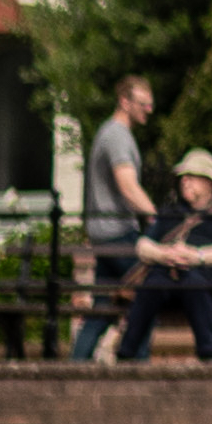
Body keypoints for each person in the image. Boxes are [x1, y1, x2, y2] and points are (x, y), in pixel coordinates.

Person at [117, 150, 212, 362]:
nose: (185, 181)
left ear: (210, 183)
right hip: (167, 277)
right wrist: (164, 254)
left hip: (206, 280)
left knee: (194, 282)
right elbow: (143, 246)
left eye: (192, 176)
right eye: (183, 177)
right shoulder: (170, 213)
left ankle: (209, 356)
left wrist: (197, 256)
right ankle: (125, 354)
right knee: (152, 283)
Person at [63, 72, 156, 358]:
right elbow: (127, 186)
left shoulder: (111, 133)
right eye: (143, 103)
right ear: (124, 101)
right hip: (117, 233)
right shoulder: (116, 136)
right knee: (148, 298)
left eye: (150, 104)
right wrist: (156, 216)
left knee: (103, 308)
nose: (148, 110)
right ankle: (139, 371)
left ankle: (75, 367)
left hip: (103, 233)